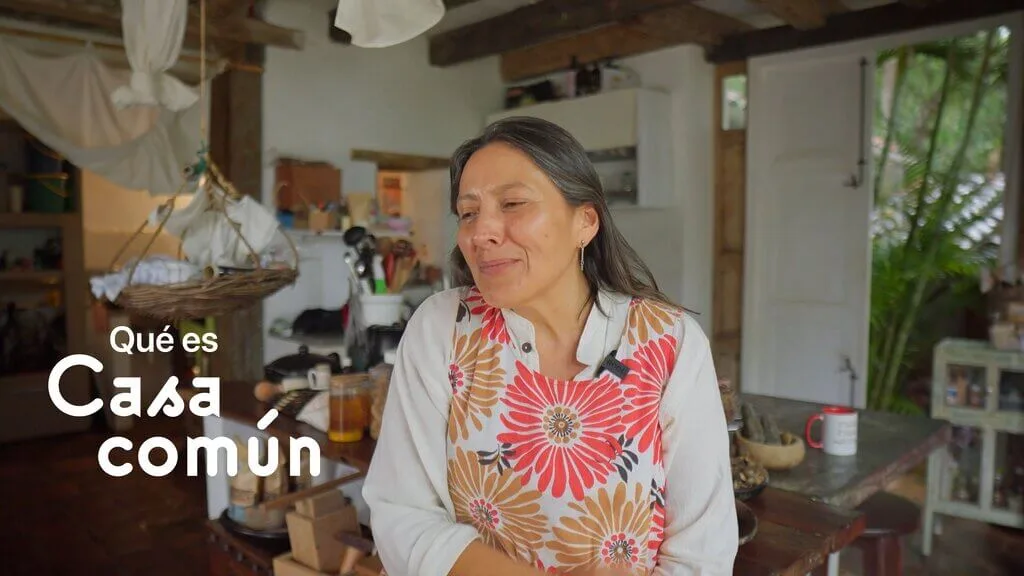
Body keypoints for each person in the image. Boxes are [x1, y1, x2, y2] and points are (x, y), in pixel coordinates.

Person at [363, 117, 737, 576]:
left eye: (513, 203)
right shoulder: (442, 328)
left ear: (585, 221)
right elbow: (402, 514)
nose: (481, 233)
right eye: (468, 212)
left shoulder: (670, 344)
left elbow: (703, 556)